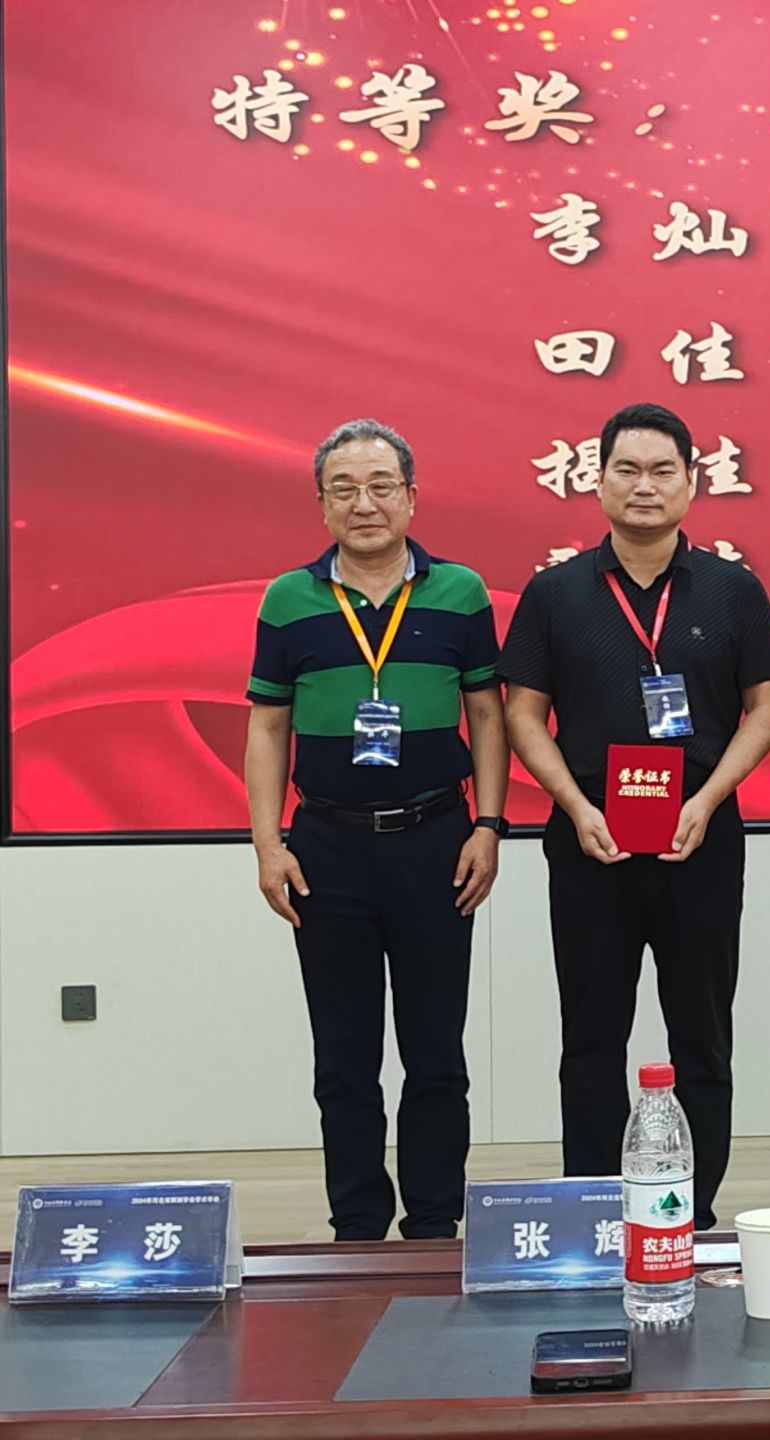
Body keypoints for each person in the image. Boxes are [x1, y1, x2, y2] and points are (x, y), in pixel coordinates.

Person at [500, 402, 770, 1229]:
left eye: (663, 470)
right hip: (590, 842)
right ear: (597, 482)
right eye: (626, 469)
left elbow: (767, 705)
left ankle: (691, 1211)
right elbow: (523, 713)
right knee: (592, 1033)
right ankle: (598, 1204)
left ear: (691, 484)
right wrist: (574, 805)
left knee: (703, 1033)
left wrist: (708, 797)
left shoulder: (732, 590)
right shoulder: (556, 593)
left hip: (700, 839)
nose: (644, 486)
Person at [244, 419, 508, 1241]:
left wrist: (489, 825)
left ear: (411, 497)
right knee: (344, 1053)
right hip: (326, 848)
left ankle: (433, 1221)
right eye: (345, 489)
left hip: (438, 841)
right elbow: (267, 727)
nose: (364, 504)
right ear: (322, 505)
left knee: (436, 1052)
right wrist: (268, 845)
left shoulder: (460, 591)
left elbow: (487, 715)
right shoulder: (288, 600)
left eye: (381, 486)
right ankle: (357, 1226)